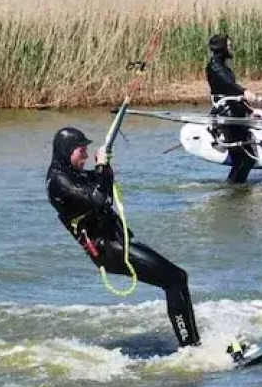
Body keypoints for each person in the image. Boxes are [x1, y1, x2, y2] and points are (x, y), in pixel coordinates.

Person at [45, 126, 202, 349]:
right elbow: (99, 199)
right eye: (81, 151)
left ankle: (193, 343)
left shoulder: (70, 174)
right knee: (175, 279)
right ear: (67, 150)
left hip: (117, 241)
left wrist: (104, 168)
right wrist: (101, 165)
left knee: (177, 278)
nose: (86, 155)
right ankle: (190, 348)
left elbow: (103, 188)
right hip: (108, 248)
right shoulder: (59, 181)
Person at [206, 33, 262, 184]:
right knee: (245, 159)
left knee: (244, 160)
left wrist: (251, 111)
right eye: (229, 46)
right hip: (227, 118)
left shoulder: (223, 67)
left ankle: (234, 189)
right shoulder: (214, 67)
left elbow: (231, 93)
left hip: (235, 116)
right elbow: (228, 85)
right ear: (222, 48)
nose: (231, 48)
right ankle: (233, 190)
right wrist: (245, 92)